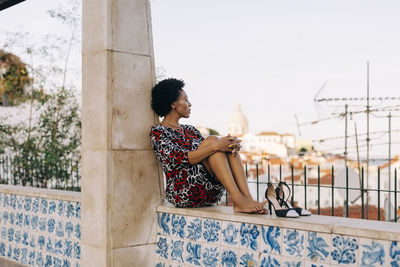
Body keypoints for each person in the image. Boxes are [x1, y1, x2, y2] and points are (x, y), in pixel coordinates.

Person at [149, 78, 267, 213]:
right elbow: (179, 159)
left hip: (209, 190)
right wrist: (216, 146)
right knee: (213, 141)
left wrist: (226, 146)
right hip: (183, 192)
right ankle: (238, 200)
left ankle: (246, 198)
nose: (190, 104)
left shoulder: (190, 130)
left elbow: (210, 156)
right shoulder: (158, 132)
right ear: (173, 104)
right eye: (186, 100)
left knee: (225, 145)